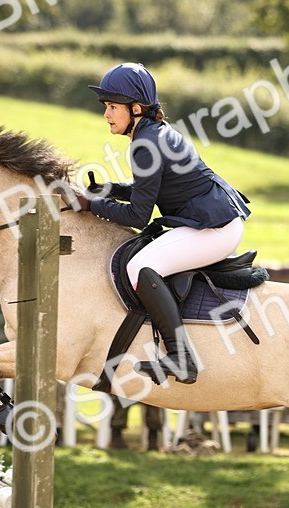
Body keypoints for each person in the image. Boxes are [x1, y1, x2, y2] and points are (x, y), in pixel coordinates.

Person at [73, 62, 251, 385]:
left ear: (136, 108)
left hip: (215, 228)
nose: (107, 114)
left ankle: (181, 357)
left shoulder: (145, 143)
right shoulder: (151, 134)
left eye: (113, 107)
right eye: (106, 107)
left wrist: (92, 205)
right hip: (215, 219)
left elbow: (139, 217)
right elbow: (147, 190)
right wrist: (110, 190)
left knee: (139, 268)